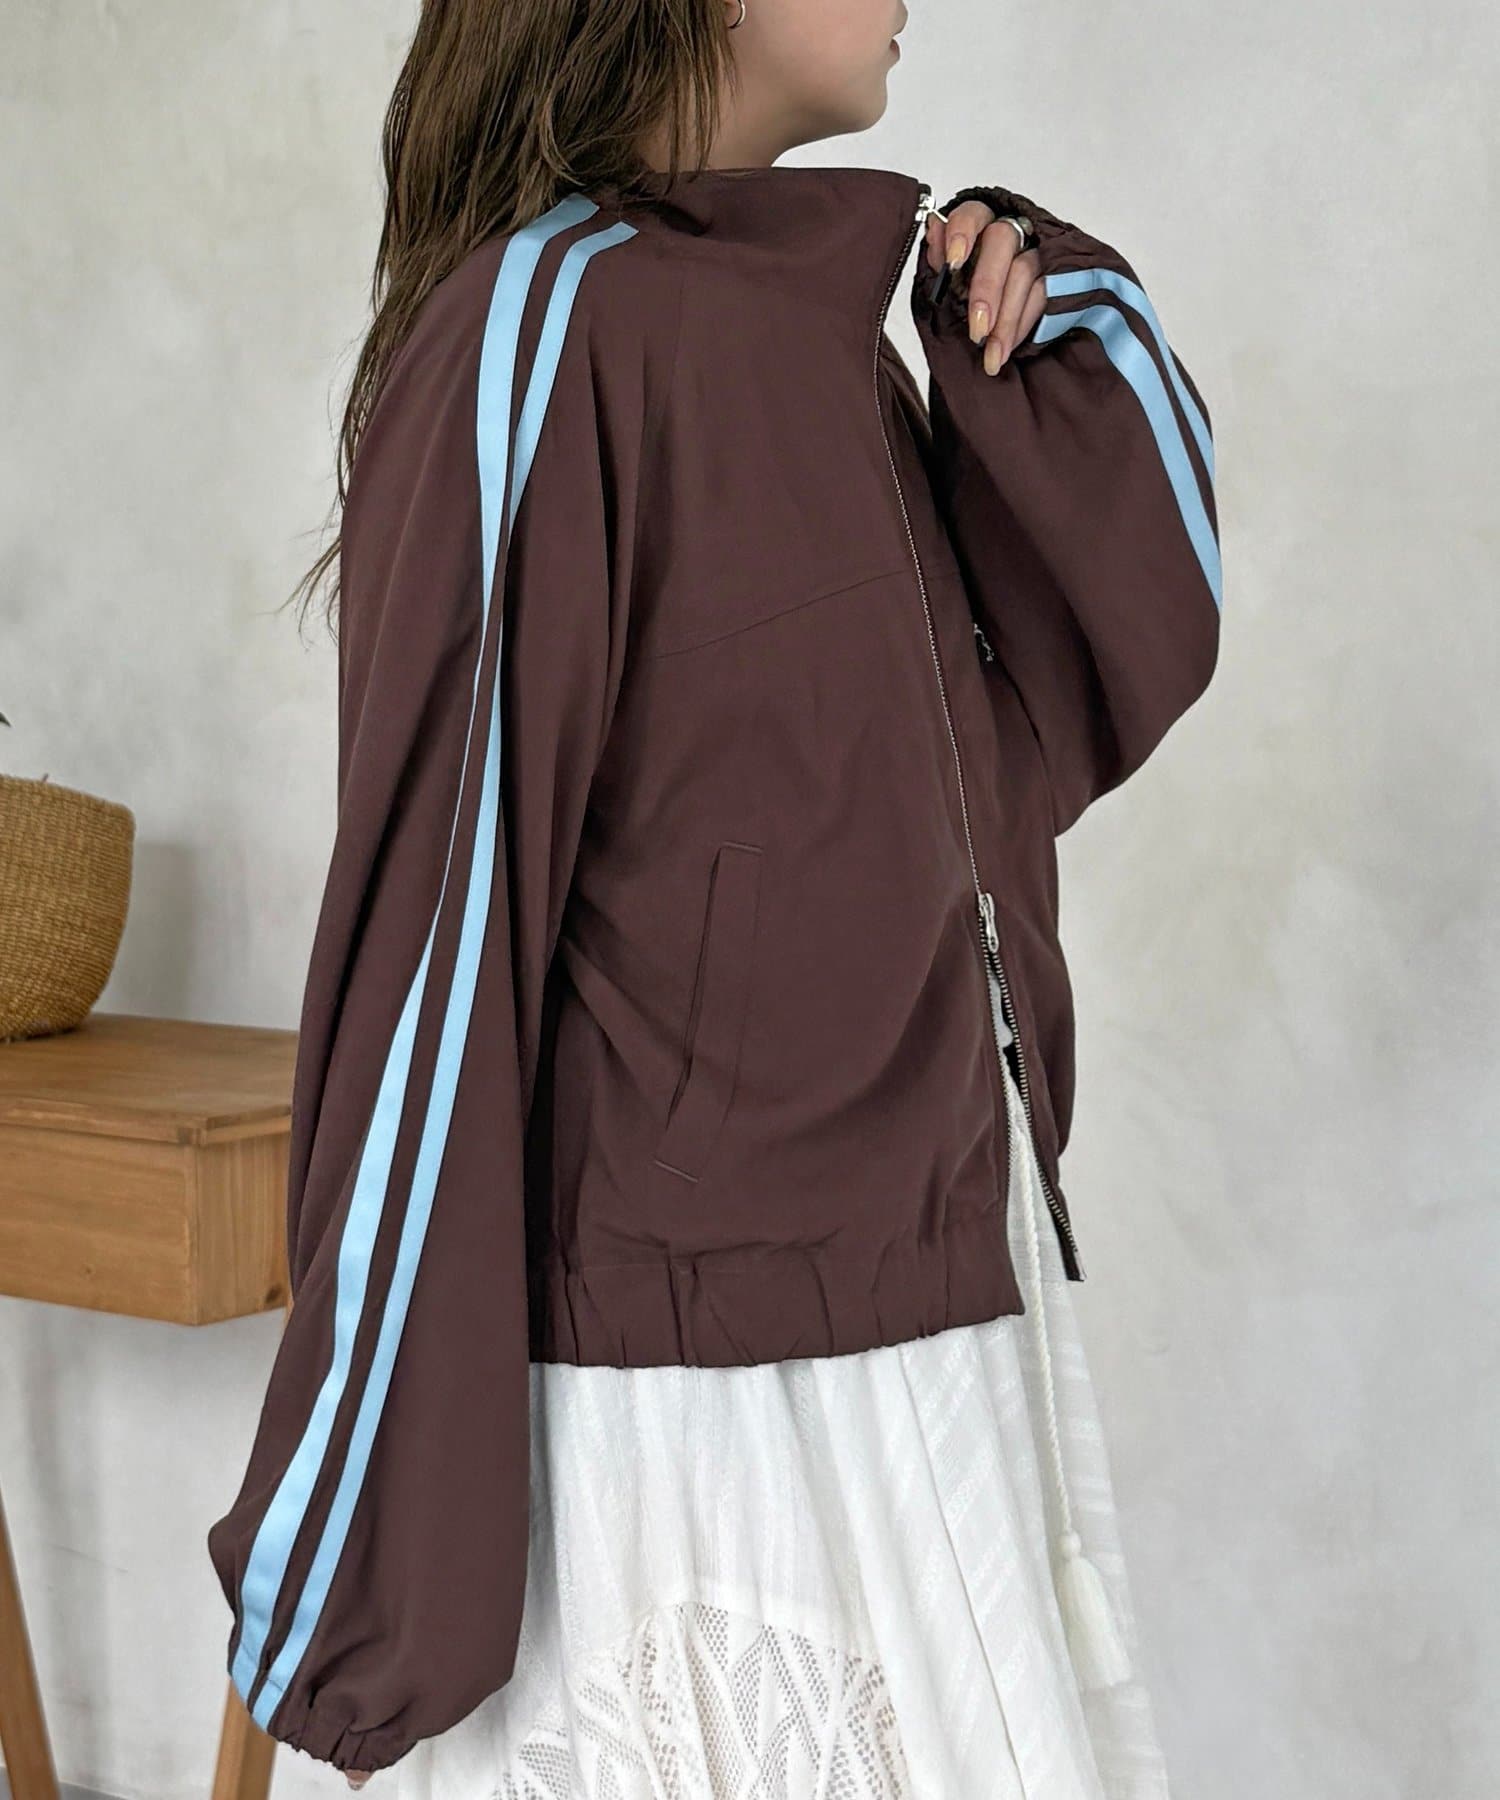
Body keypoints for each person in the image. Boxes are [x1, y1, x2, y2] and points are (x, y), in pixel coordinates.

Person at [206, 0, 1222, 1794]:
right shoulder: (548, 331)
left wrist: (1044, 338)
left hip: (935, 1313)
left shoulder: (827, 334)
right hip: (688, 1428)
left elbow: (1051, 717)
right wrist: (363, 1542)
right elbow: (434, 941)